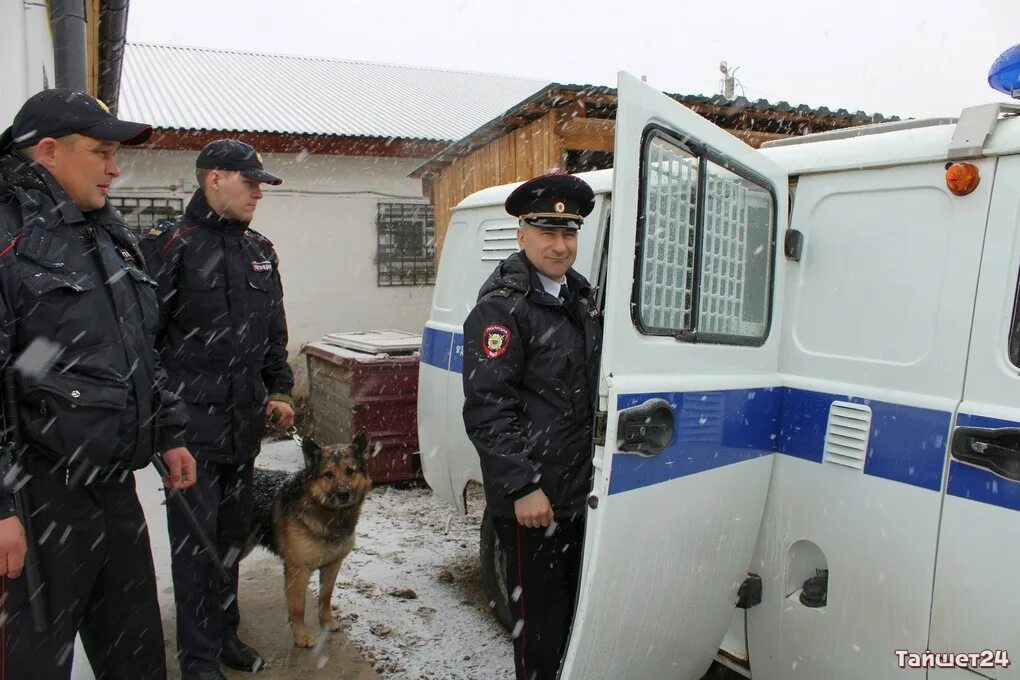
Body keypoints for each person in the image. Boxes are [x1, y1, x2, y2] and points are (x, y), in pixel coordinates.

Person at [0, 88, 196, 679]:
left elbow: (136, 348)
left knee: (136, 657)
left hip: (113, 491)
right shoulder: (8, 239)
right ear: (50, 150)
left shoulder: (109, 235)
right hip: (37, 498)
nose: (115, 168)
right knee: (34, 666)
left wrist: (166, 430)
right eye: (102, 152)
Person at [141, 139, 295, 680]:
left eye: (261, 183)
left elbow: (273, 328)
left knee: (232, 539)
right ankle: (198, 658)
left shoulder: (259, 248)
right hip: (189, 428)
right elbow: (144, 340)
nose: (259, 191)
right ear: (213, 180)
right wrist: (165, 422)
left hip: (242, 424)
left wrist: (278, 389)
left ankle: (226, 637)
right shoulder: (170, 244)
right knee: (195, 549)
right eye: (249, 181)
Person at [462, 172, 603, 680]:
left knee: (574, 622)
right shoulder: (502, 306)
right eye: (547, 232)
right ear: (521, 235)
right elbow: (487, 406)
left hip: (577, 491)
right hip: (533, 501)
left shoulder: (581, 297)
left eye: (569, 234)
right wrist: (522, 487)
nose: (560, 246)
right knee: (539, 632)